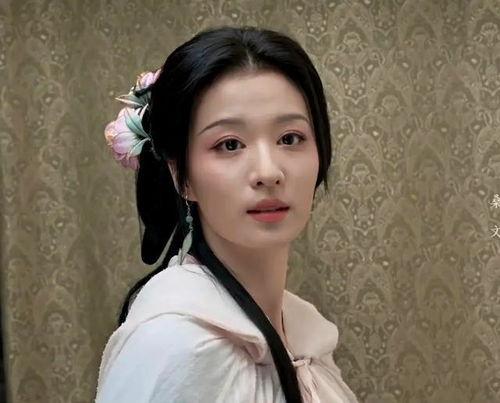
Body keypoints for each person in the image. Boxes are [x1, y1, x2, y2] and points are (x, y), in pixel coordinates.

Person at [95, 25, 358, 403]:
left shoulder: (304, 334)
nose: (268, 172)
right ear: (182, 176)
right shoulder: (178, 347)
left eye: (290, 138)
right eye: (229, 144)